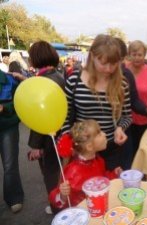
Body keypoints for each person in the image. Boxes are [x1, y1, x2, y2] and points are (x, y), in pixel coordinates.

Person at [60, 34, 132, 171]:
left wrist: (120, 128)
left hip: (110, 149)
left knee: (109, 188)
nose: (109, 69)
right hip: (81, 151)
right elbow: (64, 115)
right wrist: (68, 141)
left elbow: (127, 116)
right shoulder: (74, 79)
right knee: (82, 189)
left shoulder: (122, 84)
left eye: (114, 63)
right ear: (92, 56)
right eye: (104, 63)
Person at [26, 40, 65, 214]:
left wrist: (35, 146)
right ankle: (62, 205)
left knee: (51, 175)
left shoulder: (42, 82)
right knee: (61, 173)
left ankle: (58, 210)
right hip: (61, 135)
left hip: (48, 139)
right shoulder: (58, 76)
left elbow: (39, 116)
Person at [49, 120, 121, 210]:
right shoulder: (74, 172)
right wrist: (63, 195)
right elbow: (55, 200)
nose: (104, 134)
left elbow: (100, 180)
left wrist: (113, 174)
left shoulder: (98, 160)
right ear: (89, 146)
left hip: (99, 206)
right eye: (99, 133)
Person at [115, 38, 147, 169]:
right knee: (129, 152)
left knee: (143, 150)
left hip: (144, 118)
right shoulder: (123, 71)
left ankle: (142, 174)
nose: (137, 58)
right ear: (129, 55)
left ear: (144, 55)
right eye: (134, 54)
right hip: (126, 121)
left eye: (140, 55)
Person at [0, 69, 27, 213]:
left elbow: (20, 102)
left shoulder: (9, 79)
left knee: (10, 164)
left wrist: (4, 108)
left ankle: (14, 198)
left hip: (8, 127)